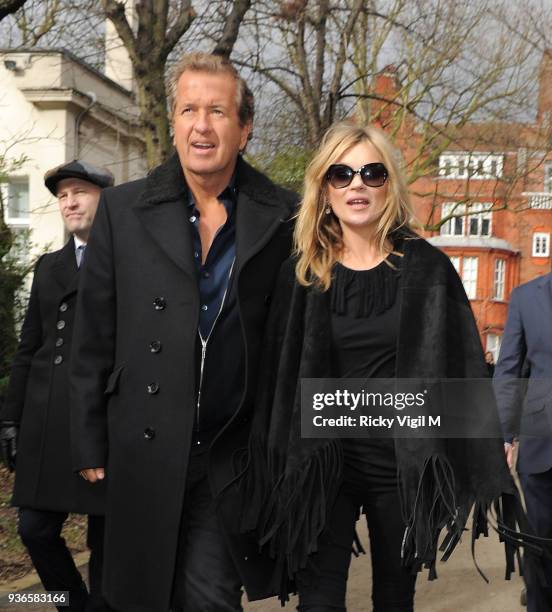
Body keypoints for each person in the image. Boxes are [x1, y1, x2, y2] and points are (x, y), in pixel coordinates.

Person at [241, 121, 531, 611]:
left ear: (388, 185)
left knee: (395, 599)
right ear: (325, 187)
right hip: (322, 460)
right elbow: (277, 372)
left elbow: (460, 361)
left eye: (371, 173)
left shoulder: (427, 268)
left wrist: (490, 437)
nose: (357, 184)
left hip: (400, 460)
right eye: (342, 174)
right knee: (319, 601)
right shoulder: (302, 271)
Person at [69, 52, 297, 612]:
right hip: (142, 445)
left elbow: (295, 341)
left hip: (230, 452)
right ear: (172, 122)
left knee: (210, 596)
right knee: (138, 595)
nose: (201, 125)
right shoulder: (123, 211)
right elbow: (93, 333)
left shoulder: (286, 216)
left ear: (243, 130)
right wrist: (88, 437)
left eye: (217, 111)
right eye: (189, 109)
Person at [0, 160, 114, 611]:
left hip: (101, 420)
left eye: (80, 191)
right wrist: (10, 418)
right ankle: (72, 605)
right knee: (34, 529)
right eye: (63, 195)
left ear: (105, 199)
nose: (70, 201)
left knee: (105, 537)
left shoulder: (126, 265)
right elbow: (28, 349)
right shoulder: (49, 267)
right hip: (47, 424)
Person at [494, 274, 552, 612]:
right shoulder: (526, 297)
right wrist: (504, 434)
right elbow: (509, 370)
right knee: (541, 544)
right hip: (541, 445)